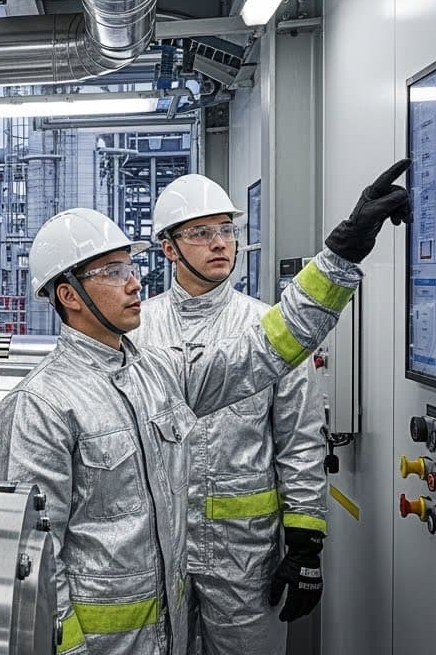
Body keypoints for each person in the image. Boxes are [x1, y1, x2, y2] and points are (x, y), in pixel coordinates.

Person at [0, 160, 409, 655]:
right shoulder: (40, 404)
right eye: (114, 272)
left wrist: (340, 254)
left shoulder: (153, 375)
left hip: (170, 618)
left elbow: (263, 351)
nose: (134, 283)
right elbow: (31, 553)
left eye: (130, 268)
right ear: (69, 294)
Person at [139, 175, 326, 655]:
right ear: (169, 249)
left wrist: (305, 542)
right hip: (157, 552)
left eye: (226, 230)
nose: (220, 243)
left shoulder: (269, 329)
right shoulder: (137, 332)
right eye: (201, 233)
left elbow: (300, 439)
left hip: (246, 557)